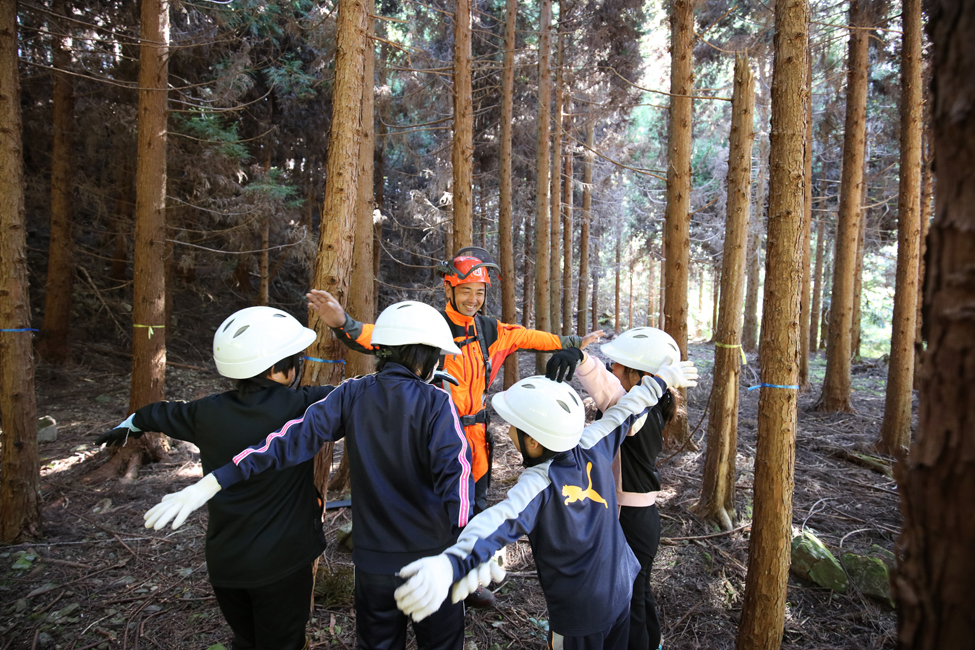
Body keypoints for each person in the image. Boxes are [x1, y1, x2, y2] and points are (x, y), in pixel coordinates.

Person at [143, 300, 476, 650]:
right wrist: (468, 545)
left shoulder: (352, 393)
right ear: (425, 356)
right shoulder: (437, 403)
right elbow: (457, 475)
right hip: (434, 561)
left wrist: (215, 479)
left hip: (372, 565)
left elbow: (286, 440)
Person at [392, 360, 696, 650]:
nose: (509, 431)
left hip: (580, 617)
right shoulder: (592, 442)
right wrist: (660, 381)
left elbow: (499, 519)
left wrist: (453, 563)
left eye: (514, 427)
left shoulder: (539, 484)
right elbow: (628, 409)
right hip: (621, 588)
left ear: (534, 443)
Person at [97, 306, 333, 650]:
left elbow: (158, 413)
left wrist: (130, 423)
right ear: (276, 368)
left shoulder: (205, 411)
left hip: (226, 563)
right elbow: (359, 395)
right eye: (294, 360)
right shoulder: (304, 405)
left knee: (246, 641)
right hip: (283, 563)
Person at [546, 327, 696, 650]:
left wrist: (584, 361)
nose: (612, 367)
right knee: (638, 594)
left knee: (630, 602)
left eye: (620, 365)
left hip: (630, 519)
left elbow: (611, 394)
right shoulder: (649, 405)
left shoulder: (638, 411)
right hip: (637, 518)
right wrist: (583, 358)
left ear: (642, 377)